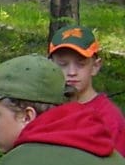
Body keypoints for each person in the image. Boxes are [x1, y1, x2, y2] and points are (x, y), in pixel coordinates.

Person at [48, 23, 125, 156]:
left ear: (95, 66)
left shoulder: (108, 118)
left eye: (81, 64)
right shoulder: (44, 108)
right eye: (63, 64)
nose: (71, 72)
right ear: (50, 65)